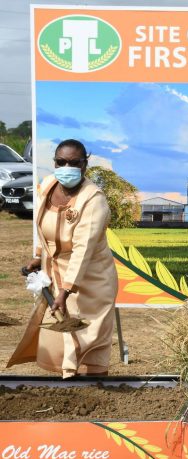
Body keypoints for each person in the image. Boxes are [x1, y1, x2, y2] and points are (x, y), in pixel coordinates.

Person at [8, 139, 118, 378]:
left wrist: (66, 290)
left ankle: (97, 392)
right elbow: (42, 227)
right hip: (56, 274)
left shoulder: (93, 199)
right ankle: (69, 389)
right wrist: (39, 257)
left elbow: (83, 249)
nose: (66, 166)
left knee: (87, 338)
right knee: (59, 339)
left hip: (90, 280)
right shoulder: (48, 185)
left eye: (74, 162)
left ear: (84, 166)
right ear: (54, 162)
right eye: (61, 162)